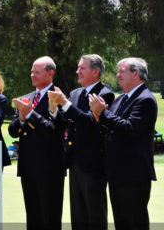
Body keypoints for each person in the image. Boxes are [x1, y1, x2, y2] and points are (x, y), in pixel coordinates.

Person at [89, 57, 157, 230]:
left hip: (134, 173)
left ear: (135, 73)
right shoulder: (120, 99)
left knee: (134, 221)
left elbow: (129, 128)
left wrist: (102, 114)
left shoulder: (146, 99)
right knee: (121, 222)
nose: (117, 75)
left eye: (121, 71)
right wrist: (98, 116)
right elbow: (110, 128)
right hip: (116, 173)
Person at [48, 54, 114, 230]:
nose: (77, 71)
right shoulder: (75, 94)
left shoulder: (105, 94)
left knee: (94, 215)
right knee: (78, 216)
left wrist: (65, 103)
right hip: (74, 162)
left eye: (82, 68)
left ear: (95, 71)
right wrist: (54, 109)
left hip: (93, 165)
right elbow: (64, 122)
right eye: (78, 67)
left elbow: (90, 124)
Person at [8, 56, 66, 230]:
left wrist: (30, 114)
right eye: (32, 71)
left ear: (50, 74)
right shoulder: (27, 97)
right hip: (28, 167)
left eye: (37, 72)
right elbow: (12, 130)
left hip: (49, 168)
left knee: (49, 217)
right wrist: (22, 118)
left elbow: (53, 131)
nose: (32, 75)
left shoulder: (59, 97)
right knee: (32, 216)